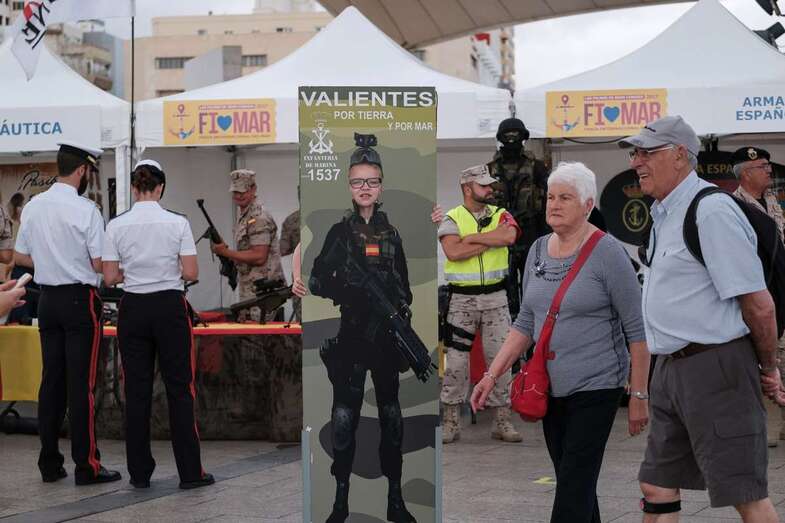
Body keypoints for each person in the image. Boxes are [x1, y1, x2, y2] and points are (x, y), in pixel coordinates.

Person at [620, 116, 785, 522]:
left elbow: (759, 305)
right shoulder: (663, 213)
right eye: (635, 153)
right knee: (657, 485)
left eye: (647, 152)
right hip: (670, 369)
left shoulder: (711, 211)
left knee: (745, 491)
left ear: (680, 155)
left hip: (716, 368)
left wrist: (768, 367)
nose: (637, 161)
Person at [471, 161, 650, 523]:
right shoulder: (538, 250)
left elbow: (637, 331)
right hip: (549, 388)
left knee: (573, 485)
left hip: (597, 386)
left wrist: (639, 396)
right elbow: (525, 322)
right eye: (551, 197)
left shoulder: (609, 253)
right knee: (575, 481)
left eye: (565, 198)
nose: (553, 204)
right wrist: (492, 375)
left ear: (588, 205)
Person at [309, 133, 416, 523]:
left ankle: (395, 500)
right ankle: (340, 501)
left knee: (391, 417)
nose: (365, 188)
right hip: (353, 334)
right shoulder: (339, 234)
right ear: (349, 186)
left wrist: (395, 302)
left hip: (385, 338)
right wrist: (348, 288)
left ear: (381, 186)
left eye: (371, 181)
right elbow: (317, 280)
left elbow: (407, 288)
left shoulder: (392, 234)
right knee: (344, 417)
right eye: (358, 182)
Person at [13, 141, 122, 485]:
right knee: (81, 385)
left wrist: (51, 260)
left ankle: (49, 463)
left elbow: (20, 256)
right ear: (82, 171)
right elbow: (98, 263)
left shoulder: (34, 206)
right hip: (79, 300)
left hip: (47, 300)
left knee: (51, 382)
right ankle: (87, 466)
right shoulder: (86, 209)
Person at [102, 160, 214, 490]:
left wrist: (134, 271)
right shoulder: (177, 222)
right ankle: (190, 472)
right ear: (161, 187)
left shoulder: (116, 225)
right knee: (180, 389)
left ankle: (139, 473)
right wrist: (165, 270)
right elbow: (191, 272)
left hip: (133, 307)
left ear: (133, 187)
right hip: (169, 306)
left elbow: (109, 277)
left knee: (136, 391)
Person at [435, 164, 522, 444]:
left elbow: (509, 236)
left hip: (496, 298)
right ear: (467, 188)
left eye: (489, 184)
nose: (489, 189)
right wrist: (490, 241)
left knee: (501, 359)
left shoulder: (500, 214)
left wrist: (471, 238)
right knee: (455, 363)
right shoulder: (452, 217)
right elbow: (453, 251)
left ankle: (502, 420)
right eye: (483, 185)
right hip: (462, 300)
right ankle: (450, 422)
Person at [731, 146, 785, 448]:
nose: (769, 171)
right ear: (745, 173)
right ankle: (763, 429)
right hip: (758, 295)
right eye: (762, 166)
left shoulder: (773, 201)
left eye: (768, 165)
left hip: (781, 293)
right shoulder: (735, 207)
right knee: (762, 363)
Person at [486, 117, 550, 317]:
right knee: (505, 290)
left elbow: (547, 203)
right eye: (507, 135)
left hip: (531, 234)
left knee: (534, 287)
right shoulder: (489, 170)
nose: (512, 139)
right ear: (500, 138)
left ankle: (532, 331)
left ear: (523, 138)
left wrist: (546, 239)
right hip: (500, 237)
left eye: (516, 135)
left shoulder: (537, 168)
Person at [211, 169, 285, 322]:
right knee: (249, 331)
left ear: (253, 189)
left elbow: (259, 256)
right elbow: (247, 249)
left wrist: (226, 252)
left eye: (242, 191)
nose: (238, 196)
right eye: (235, 192)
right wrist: (227, 252)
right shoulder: (246, 214)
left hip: (263, 290)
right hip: (252, 288)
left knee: (257, 333)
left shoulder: (258, 217)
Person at [280, 208, 301, 322]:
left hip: (301, 275)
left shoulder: (292, 219)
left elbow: (283, 249)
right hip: (332, 273)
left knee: (302, 318)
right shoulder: (333, 214)